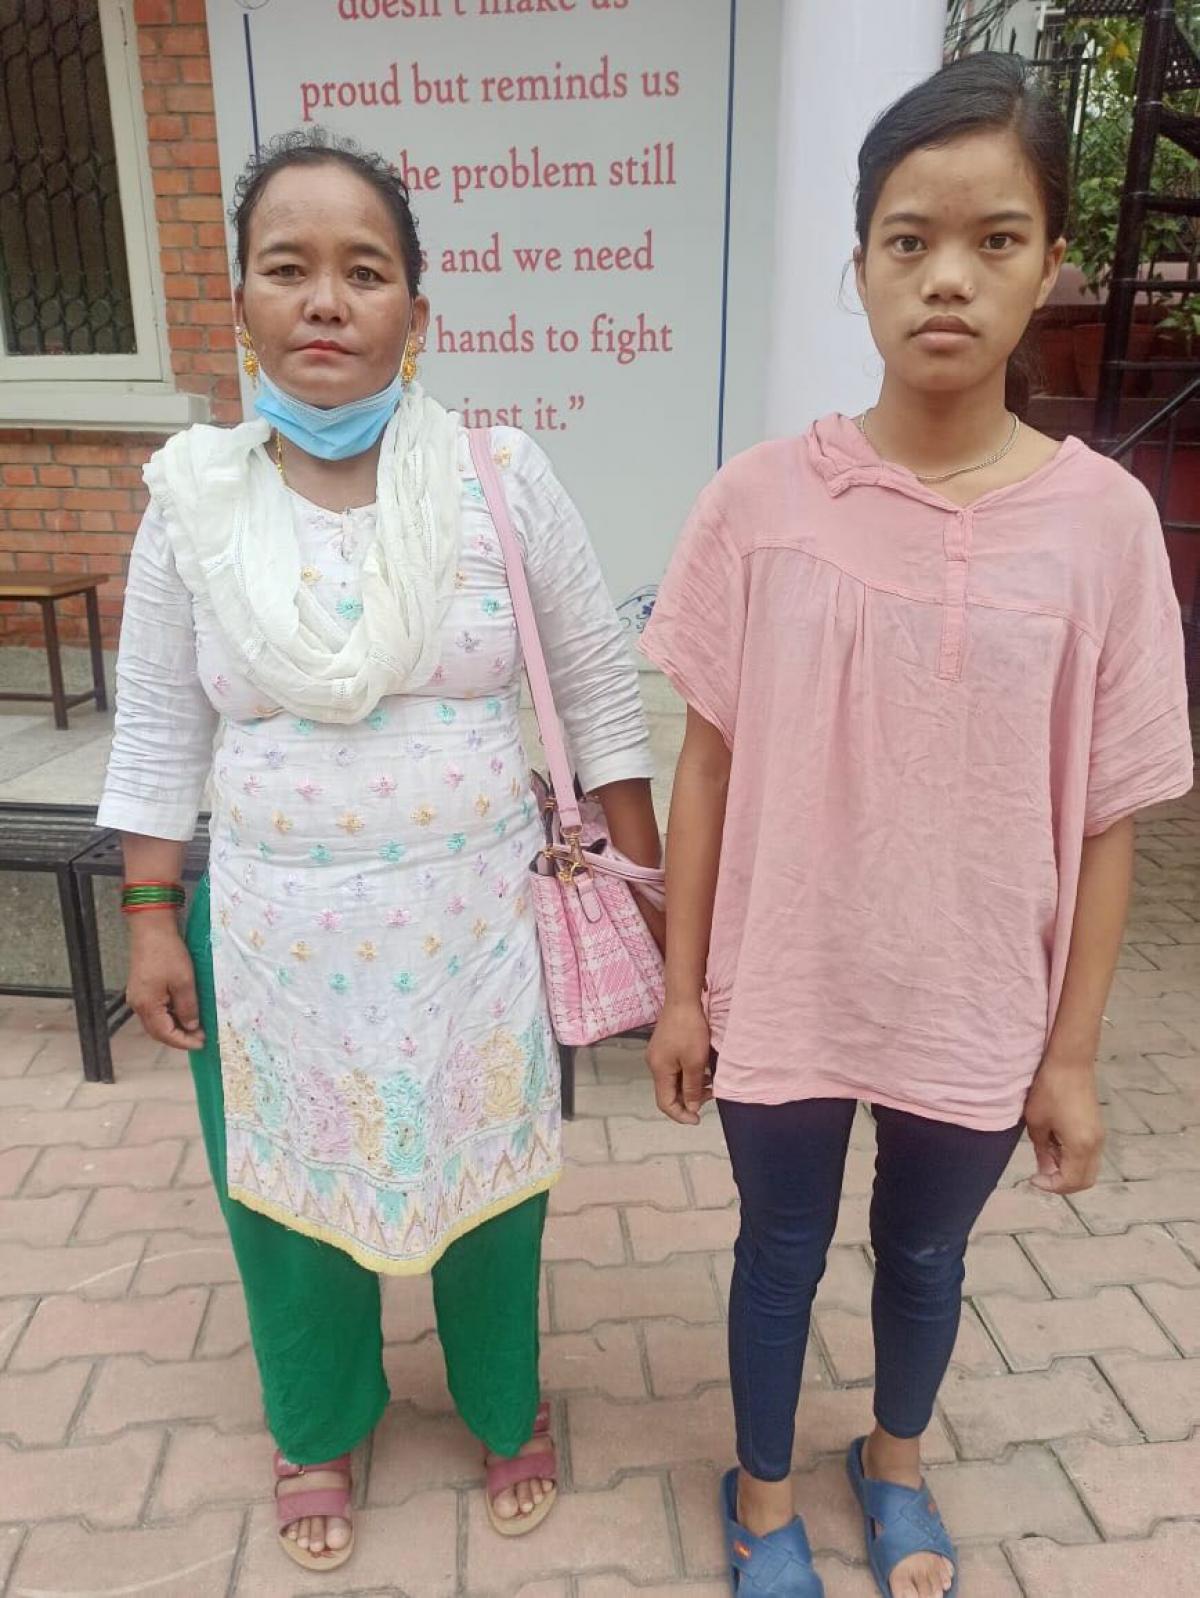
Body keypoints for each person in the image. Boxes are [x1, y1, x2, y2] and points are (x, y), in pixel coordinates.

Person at [642, 53, 1192, 1598]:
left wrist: (1072, 1055)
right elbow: (706, 764)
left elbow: (1109, 812)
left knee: (929, 1253)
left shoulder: (1105, 527)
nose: (948, 276)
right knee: (776, 1249)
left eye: (994, 238)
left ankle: (892, 1464)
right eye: (909, 238)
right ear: (862, 263)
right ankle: (761, 1496)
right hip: (788, 981)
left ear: (1052, 263)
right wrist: (682, 989)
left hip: (975, 999)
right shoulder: (761, 502)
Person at [98, 128, 661, 1574]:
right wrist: (151, 914)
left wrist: (646, 895)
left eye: (364, 270)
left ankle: (504, 1403)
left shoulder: (497, 476)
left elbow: (599, 691)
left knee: (491, 1188)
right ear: (242, 302)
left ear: (418, 308)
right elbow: (156, 727)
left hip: (474, 935)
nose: (325, 300)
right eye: (287, 268)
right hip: (275, 947)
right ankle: (317, 1423)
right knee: (288, 1198)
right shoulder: (194, 503)